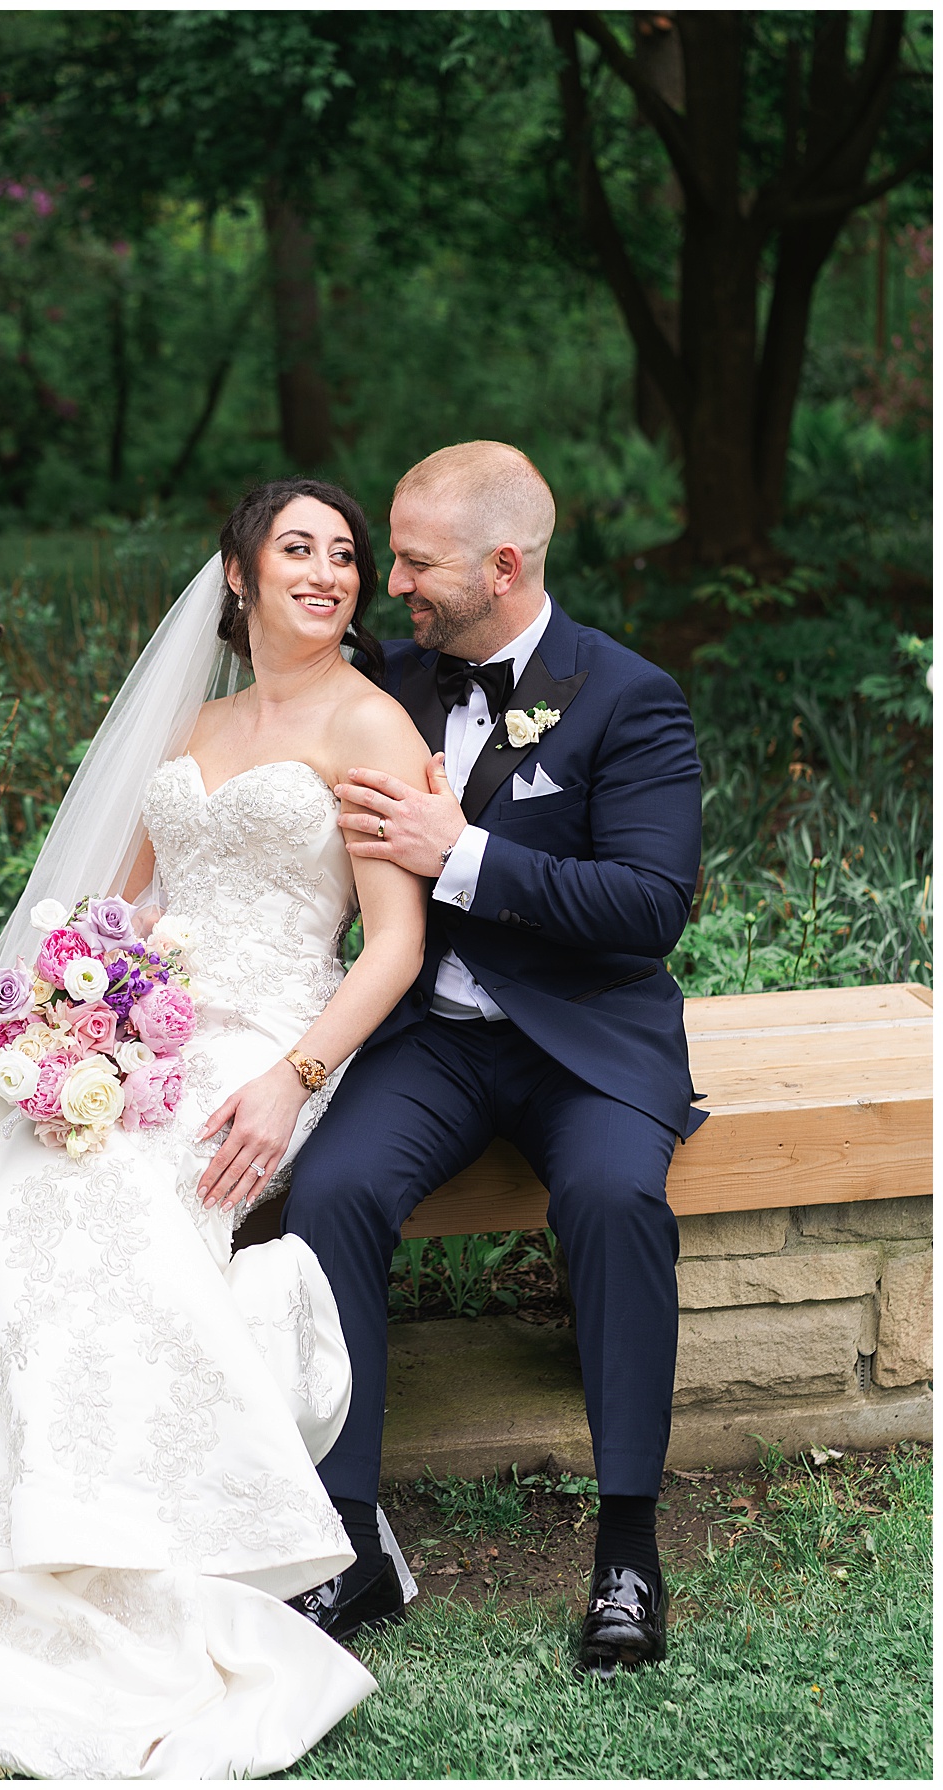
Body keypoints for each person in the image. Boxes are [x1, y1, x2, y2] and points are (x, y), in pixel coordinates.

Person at [0, 479, 431, 1780]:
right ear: (238, 575)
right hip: (147, 1036)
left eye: (345, 555)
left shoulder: (372, 724)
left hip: (271, 1044)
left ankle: (102, 1534)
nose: (329, 571)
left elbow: (394, 944)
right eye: (299, 547)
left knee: (113, 1195)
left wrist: (294, 1074)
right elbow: (105, 919)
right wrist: (71, 1024)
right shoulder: (196, 716)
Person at [282, 441, 705, 1674]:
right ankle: (351, 1537)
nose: (389, 581)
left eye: (412, 560)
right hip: (437, 1040)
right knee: (333, 1192)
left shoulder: (629, 697)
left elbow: (645, 907)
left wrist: (456, 850)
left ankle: (628, 1548)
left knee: (620, 1197)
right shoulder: (393, 684)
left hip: (584, 1040)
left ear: (504, 564)